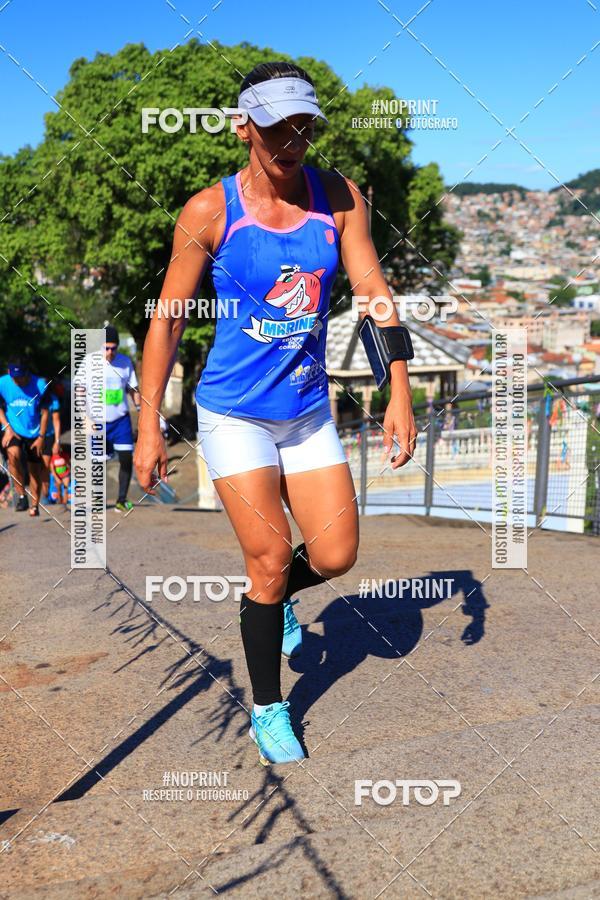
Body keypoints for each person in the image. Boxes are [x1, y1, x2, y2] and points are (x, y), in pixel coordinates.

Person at [134, 61, 417, 765]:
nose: (291, 139)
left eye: (303, 125)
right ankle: (268, 706)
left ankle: (274, 600)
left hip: (306, 408)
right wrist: (147, 424)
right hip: (235, 413)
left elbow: (373, 288)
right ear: (243, 128)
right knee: (265, 560)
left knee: (335, 554)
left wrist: (400, 390)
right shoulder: (210, 211)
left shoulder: (338, 198)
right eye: (275, 126)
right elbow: (167, 322)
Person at [86, 326, 141, 512]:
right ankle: (97, 500)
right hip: (98, 421)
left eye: (113, 348)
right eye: (106, 348)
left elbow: (133, 390)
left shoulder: (125, 363)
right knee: (99, 462)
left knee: (126, 458)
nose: (110, 352)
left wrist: (141, 411)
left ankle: (121, 500)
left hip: (121, 421)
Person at [0, 359, 50, 516]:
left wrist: (41, 437)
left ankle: (34, 505)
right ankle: (22, 495)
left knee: (34, 470)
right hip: (13, 429)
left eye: (20, 376)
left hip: (34, 432)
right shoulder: (3, 383)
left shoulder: (40, 385)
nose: (17, 380)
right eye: (14, 377)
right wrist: (7, 428)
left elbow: (45, 413)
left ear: (27, 372)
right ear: (9, 373)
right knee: (12, 454)